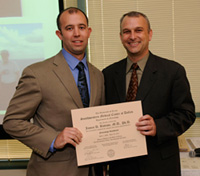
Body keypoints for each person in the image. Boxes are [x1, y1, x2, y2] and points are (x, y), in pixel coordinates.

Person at [3, 7, 105, 176]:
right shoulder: (37, 73)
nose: (77, 34)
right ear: (59, 34)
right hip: (53, 171)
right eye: (69, 28)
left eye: (81, 27)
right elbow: (12, 121)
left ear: (89, 31)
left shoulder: (98, 75)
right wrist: (53, 139)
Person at [102, 11, 196, 176]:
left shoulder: (173, 71)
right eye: (127, 31)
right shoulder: (108, 74)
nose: (132, 36)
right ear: (120, 36)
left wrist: (158, 126)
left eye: (138, 30)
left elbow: (186, 113)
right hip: (121, 167)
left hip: (160, 166)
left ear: (149, 34)